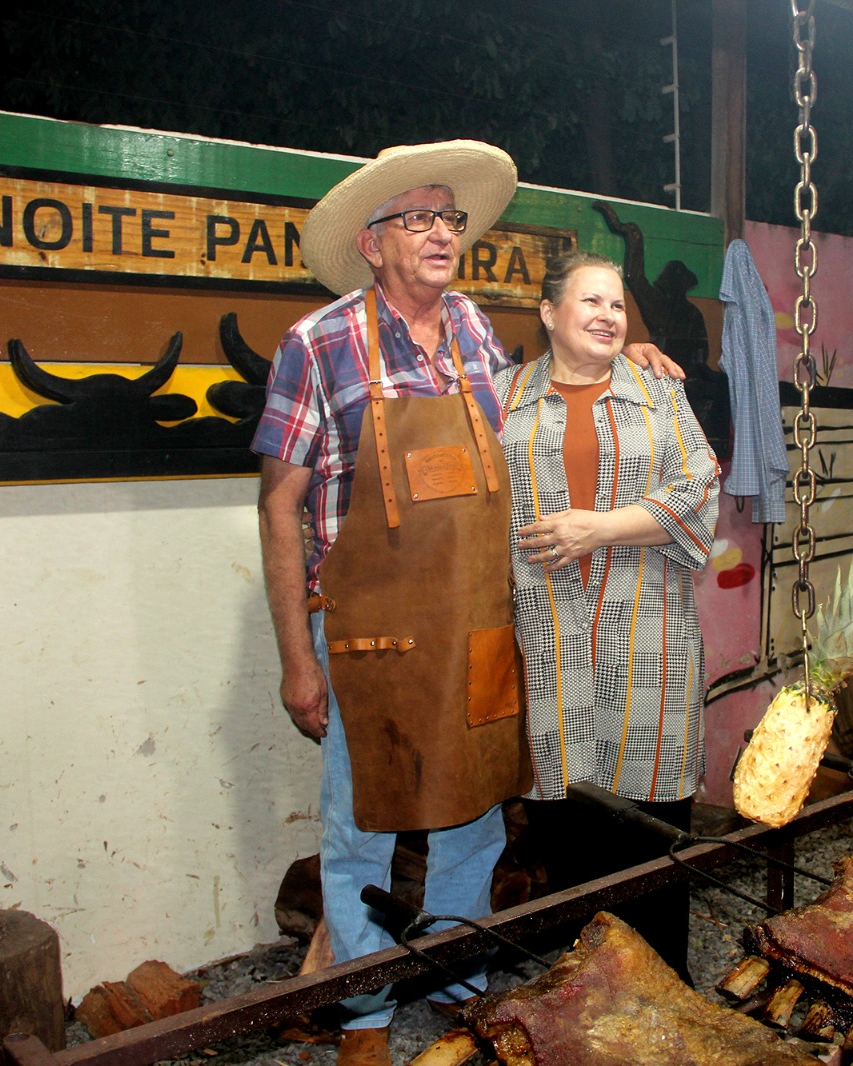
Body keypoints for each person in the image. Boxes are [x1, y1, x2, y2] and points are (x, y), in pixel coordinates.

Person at [253, 143, 677, 1066]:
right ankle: (361, 1019)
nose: (443, 234)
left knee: (475, 817)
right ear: (372, 244)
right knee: (360, 824)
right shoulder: (320, 344)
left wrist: (624, 350)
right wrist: (295, 655)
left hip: (476, 621)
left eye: (451, 220)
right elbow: (278, 505)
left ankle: (455, 988)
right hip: (364, 629)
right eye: (419, 219)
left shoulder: (480, 335)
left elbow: (551, 399)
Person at [493, 251, 719, 978]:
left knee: (653, 826)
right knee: (566, 823)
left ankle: (664, 994)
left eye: (618, 306)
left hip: (649, 629)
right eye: (590, 302)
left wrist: (602, 527)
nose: (607, 316)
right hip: (546, 637)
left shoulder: (659, 390)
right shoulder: (501, 398)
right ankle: (586, 995)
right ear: (549, 312)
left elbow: (699, 490)